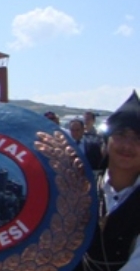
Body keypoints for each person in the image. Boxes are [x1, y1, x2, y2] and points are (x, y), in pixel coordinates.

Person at [79, 91, 140, 271]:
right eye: (121, 134)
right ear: (106, 141)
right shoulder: (82, 187)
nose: (127, 145)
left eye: (138, 138)